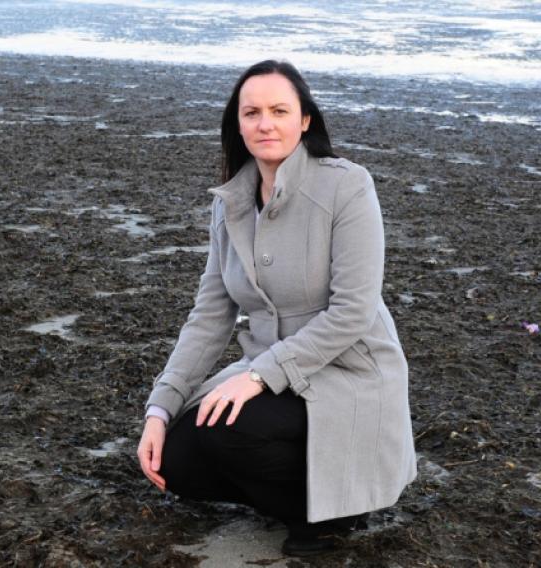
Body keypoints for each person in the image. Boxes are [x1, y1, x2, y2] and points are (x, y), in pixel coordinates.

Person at [136, 59, 417, 557]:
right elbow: (209, 315)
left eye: (279, 111)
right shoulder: (229, 202)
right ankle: (307, 491)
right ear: (238, 125)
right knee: (174, 459)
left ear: (304, 120)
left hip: (347, 370)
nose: (265, 123)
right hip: (270, 373)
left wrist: (259, 376)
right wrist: (161, 407)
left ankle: (332, 515)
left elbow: (353, 311)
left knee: (227, 431)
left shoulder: (347, 186)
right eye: (252, 113)